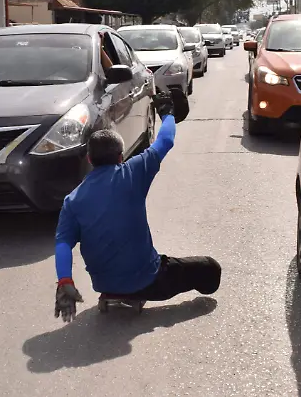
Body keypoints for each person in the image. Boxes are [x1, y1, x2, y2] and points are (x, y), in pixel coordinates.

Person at [53, 93, 222, 322]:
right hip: (149, 281)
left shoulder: (72, 199)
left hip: (103, 283)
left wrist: (65, 281)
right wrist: (167, 113)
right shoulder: (132, 172)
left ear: (90, 160)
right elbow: (166, 141)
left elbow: (63, 243)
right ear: (121, 156)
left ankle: (114, 291)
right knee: (210, 270)